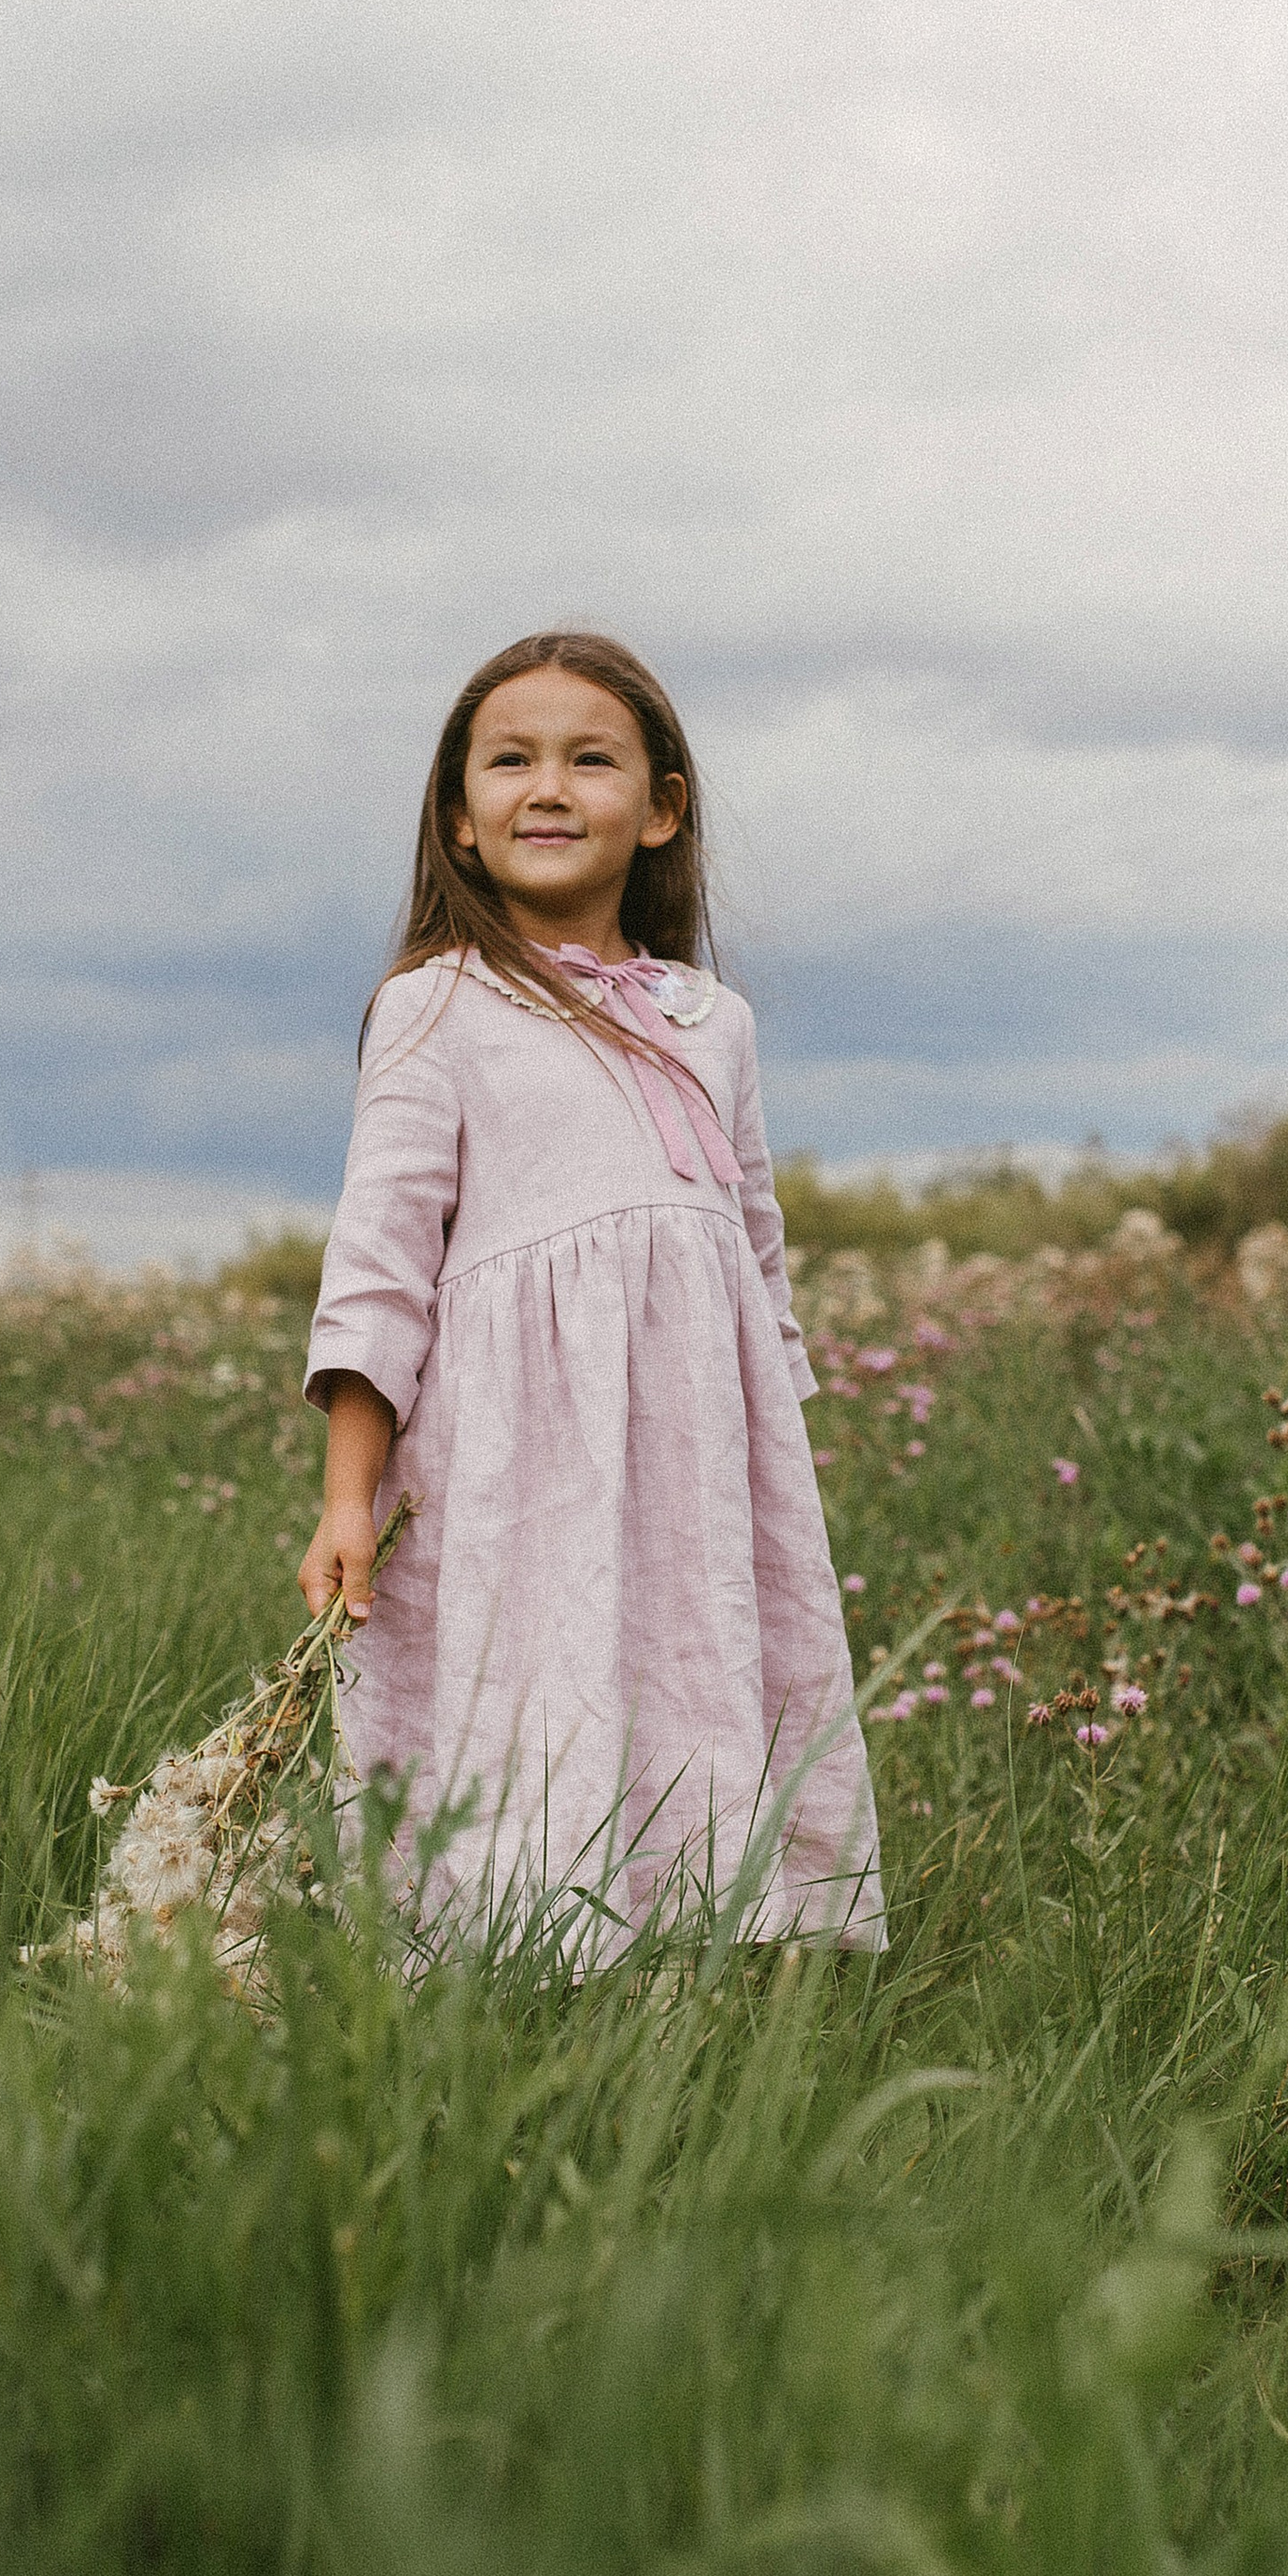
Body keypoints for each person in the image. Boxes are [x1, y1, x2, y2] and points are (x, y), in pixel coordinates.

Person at [298, 626, 884, 1953]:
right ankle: (517, 1978)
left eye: (590, 759)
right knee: (534, 1700)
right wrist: (347, 1494)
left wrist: (778, 1469)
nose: (547, 787)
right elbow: (378, 1264)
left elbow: (756, 1251)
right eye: (508, 761)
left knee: (696, 1685)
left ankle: (697, 1968)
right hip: (515, 1467)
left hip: (696, 1465)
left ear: (662, 809)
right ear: (458, 817)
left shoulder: (710, 1023)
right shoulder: (436, 1006)